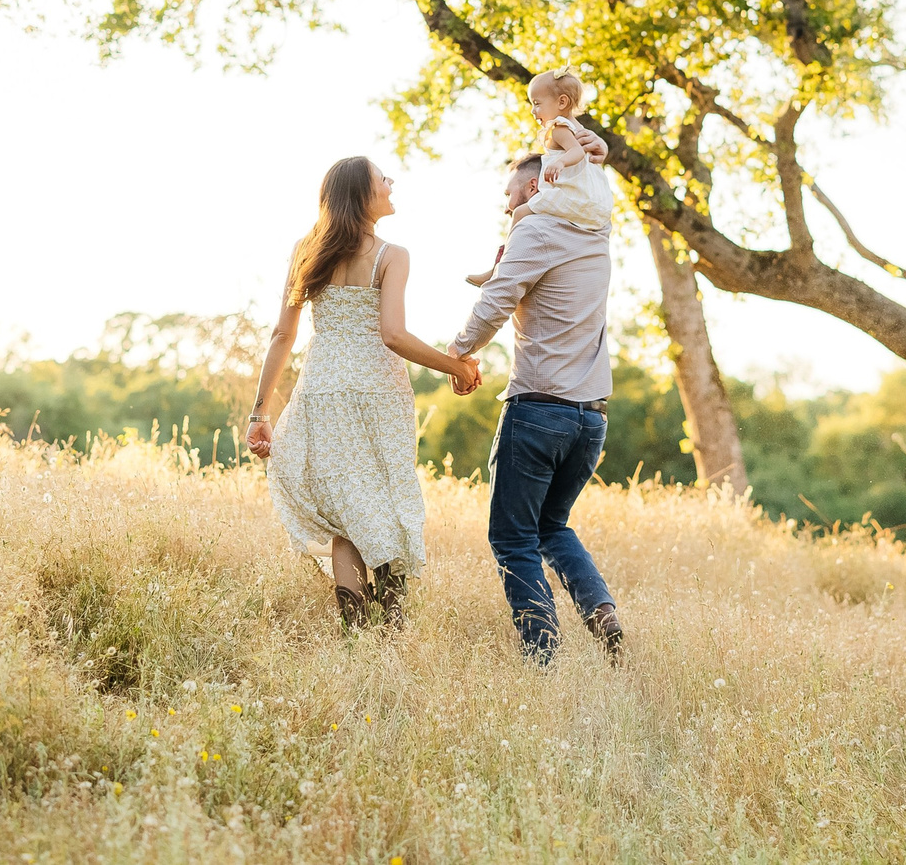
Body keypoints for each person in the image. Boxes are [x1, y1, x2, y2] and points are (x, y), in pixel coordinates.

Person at [245, 156, 482, 628]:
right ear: (361, 194)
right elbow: (392, 335)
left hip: (322, 391)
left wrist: (259, 412)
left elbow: (282, 336)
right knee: (386, 501)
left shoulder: (305, 249)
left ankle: (357, 632)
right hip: (376, 393)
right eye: (382, 179)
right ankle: (390, 629)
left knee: (347, 510)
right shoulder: (391, 254)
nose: (391, 183)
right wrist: (455, 366)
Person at [451, 151, 625, 663]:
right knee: (553, 525)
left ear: (533, 190)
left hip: (538, 410)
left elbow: (498, 301)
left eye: (510, 197)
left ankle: (542, 655)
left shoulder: (538, 230)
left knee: (512, 537)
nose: (507, 208)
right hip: (591, 417)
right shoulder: (595, 237)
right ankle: (599, 608)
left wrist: (458, 353)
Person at [464, 67, 611, 287]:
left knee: (520, 213)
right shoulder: (579, 128)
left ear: (561, 103)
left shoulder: (559, 128)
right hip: (593, 203)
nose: (533, 110)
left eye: (537, 103)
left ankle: (500, 266)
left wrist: (560, 161)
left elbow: (577, 153)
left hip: (572, 196)